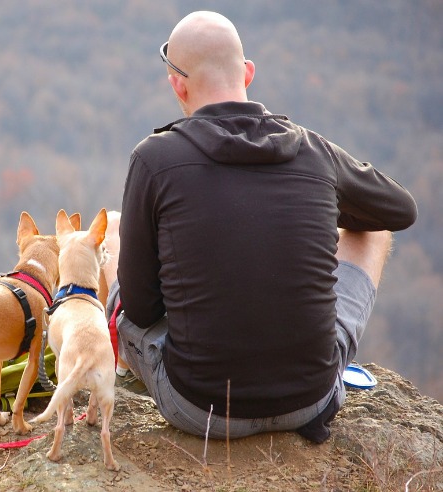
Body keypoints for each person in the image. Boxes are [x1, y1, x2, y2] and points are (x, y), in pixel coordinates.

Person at [107, 11, 417, 443]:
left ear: (178, 83)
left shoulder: (154, 159)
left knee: (115, 232)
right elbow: (398, 211)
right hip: (311, 399)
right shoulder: (313, 151)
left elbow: (139, 310)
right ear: (248, 73)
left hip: (200, 408)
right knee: (374, 229)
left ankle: (121, 376)